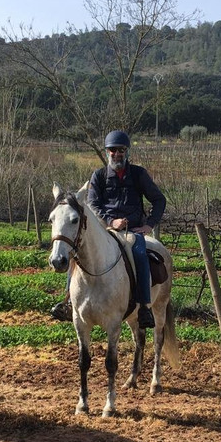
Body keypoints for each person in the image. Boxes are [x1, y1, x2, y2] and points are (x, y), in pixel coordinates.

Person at [51, 129, 166, 329]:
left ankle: (144, 307)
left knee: (140, 253)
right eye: (113, 150)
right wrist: (111, 222)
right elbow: (93, 205)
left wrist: (149, 224)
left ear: (127, 151)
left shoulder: (138, 174)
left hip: (132, 231)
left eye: (121, 150)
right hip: (105, 230)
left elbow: (159, 200)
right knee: (76, 254)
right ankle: (68, 302)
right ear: (107, 152)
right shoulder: (99, 176)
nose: (117, 154)